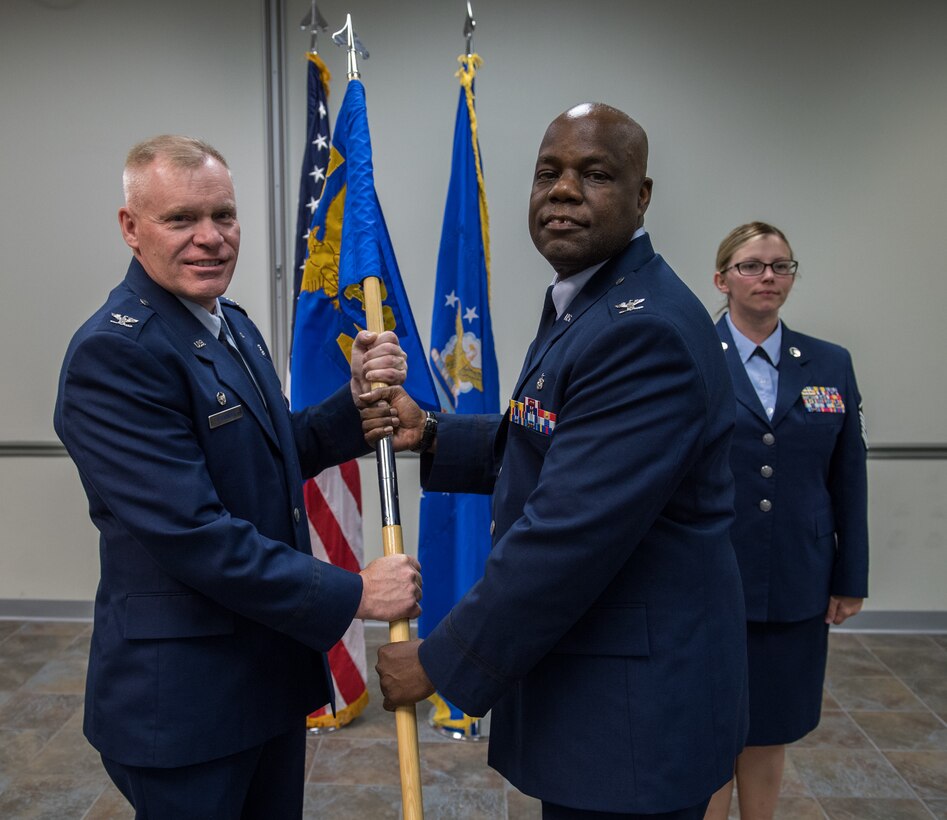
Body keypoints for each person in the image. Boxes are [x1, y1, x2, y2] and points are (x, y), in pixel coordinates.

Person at [363, 104, 748, 819]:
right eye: (549, 172)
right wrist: (437, 437)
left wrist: (440, 660)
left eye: (594, 174)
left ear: (642, 196)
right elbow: (557, 446)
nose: (563, 191)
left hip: (632, 713)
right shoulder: (595, 303)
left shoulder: (643, 332)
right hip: (605, 689)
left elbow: (567, 532)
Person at [53, 135, 422, 819]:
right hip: (184, 703)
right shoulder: (116, 354)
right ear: (131, 228)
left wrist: (356, 399)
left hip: (261, 678)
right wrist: (354, 594)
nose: (210, 239)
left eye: (223, 216)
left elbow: (273, 455)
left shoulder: (230, 326)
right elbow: (196, 535)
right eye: (181, 219)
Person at [704, 222, 868, 820]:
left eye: (780, 265)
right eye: (751, 265)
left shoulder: (829, 363)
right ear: (721, 279)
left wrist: (850, 577)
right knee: (712, 722)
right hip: (711, 577)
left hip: (797, 579)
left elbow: (847, 477)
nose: (767, 276)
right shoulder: (689, 355)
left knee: (771, 724)